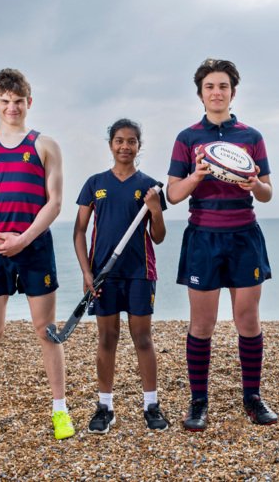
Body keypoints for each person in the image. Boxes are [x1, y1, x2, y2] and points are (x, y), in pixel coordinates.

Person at [0, 68, 74, 444]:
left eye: (18, 101)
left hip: (34, 245)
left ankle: (60, 410)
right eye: (5, 101)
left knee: (47, 331)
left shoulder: (45, 145)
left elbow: (54, 203)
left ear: (29, 102)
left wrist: (23, 239)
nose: (12, 107)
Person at [167, 58, 278, 431]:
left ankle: (253, 397)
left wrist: (254, 185)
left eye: (223, 87)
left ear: (233, 92)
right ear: (200, 93)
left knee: (247, 320)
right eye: (210, 87)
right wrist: (197, 175)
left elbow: (266, 194)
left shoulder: (251, 136)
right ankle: (198, 402)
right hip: (203, 237)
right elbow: (173, 193)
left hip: (244, 235)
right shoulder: (187, 138)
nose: (217, 93)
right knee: (203, 323)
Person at [73, 119, 169, 433]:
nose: (125, 146)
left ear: (139, 146)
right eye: (119, 140)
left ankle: (151, 405)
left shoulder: (150, 185)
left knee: (142, 338)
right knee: (107, 338)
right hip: (104, 275)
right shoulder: (94, 183)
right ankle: (105, 407)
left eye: (131, 141)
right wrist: (87, 272)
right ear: (111, 144)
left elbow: (159, 237)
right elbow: (79, 231)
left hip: (140, 273)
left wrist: (154, 209)